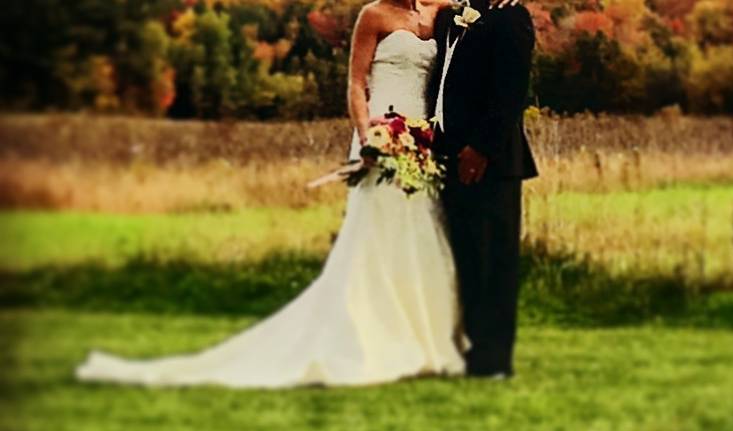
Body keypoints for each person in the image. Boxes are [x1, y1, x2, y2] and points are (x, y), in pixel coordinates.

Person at [76, 0, 468, 389]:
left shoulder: (438, 12)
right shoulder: (373, 15)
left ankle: (420, 338)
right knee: (378, 231)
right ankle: (369, 339)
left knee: (417, 230)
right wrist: (369, 138)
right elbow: (355, 83)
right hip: (381, 134)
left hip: (422, 137)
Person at [429, 0, 538, 379]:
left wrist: (480, 149)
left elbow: (510, 94)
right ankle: (471, 351)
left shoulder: (511, 18)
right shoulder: (451, 18)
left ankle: (494, 361)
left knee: (495, 262)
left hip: (491, 164)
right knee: (467, 260)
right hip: (447, 155)